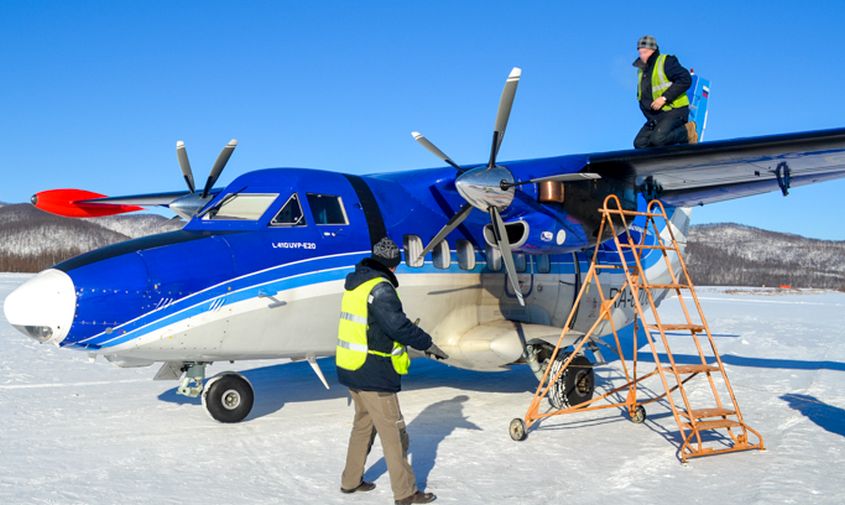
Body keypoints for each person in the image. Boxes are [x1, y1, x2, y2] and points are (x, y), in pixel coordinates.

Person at [336, 237, 449, 505]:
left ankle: (350, 481)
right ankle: (406, 493)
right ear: (390, 264)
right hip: (374, 371)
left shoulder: (356, 283)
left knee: (363, 425)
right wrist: (427, 343)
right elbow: (397, 326)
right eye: (396, 265)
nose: (397, 270)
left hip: (352, 367)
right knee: (393, 433)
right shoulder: (381, 288)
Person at [632, 35, 697, 149]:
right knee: (639, 143)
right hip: (655, 117)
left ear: (653, 50)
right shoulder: (641, 71)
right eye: (640, 52)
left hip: (674, 110)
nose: (642, 56)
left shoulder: (666, 61)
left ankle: (688, 131)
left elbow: (685, 79)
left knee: (658, 139)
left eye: (645, 52)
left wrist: (664, 98)